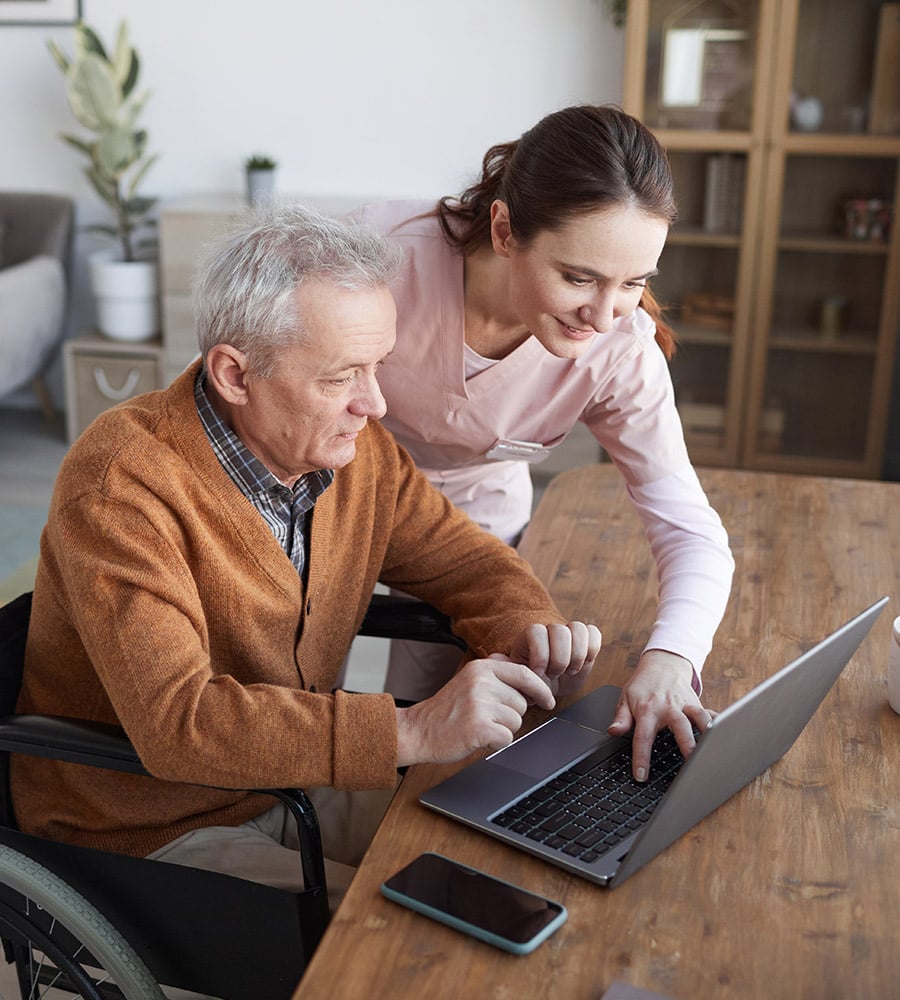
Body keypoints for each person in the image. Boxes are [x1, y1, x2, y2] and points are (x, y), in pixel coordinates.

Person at [12, 205, 606, 908]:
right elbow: (181, 723)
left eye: (378, 367)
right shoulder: (121, 483)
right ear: (236, 375)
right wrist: (409, 728)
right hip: (149, 822)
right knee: (408, 933)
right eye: (340, 378)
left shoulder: (357, 456)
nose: (375, 403)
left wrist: (530, 627)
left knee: (519, 844)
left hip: (290, 779)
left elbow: (463, 561)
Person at [351, 104, 735, 782]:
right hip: (337, 501)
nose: (604, 313)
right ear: (504, 229)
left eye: (634, 282)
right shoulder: (377, 262)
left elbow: (688, 527)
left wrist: (674, 657)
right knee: (332, 709)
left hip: (475, 530)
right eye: (579, 277)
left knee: (463, 743)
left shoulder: (618, 350)